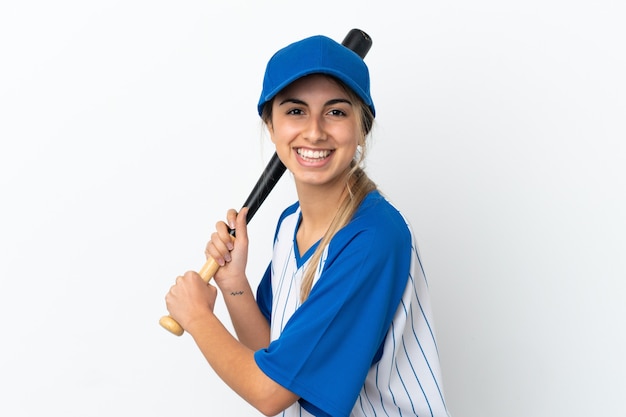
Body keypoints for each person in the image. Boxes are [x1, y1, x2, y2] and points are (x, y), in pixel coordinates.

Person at [165, 34, 451, 417]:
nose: (314, 131)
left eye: (335, 112)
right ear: (271, 125)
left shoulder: (374, 239)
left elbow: (270, 393)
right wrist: (234, 283)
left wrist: (198, 317)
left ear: (362, 127)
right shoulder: (289, 226)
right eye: (295, 111)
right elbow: (271, 354)